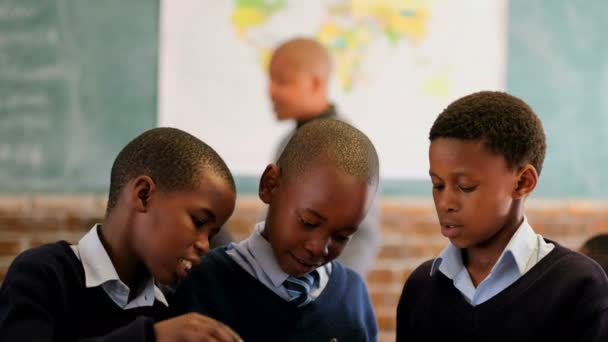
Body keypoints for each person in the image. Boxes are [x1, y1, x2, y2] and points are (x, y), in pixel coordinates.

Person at [396, 91, 608, 341]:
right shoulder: (422, 286)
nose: (445, 203)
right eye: (437, 185)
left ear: (523, 182)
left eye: (465, 186)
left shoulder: (576, 285)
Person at [0, 127, 243, 342]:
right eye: (199, 222)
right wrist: (151, 337)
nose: (204, 245)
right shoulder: (44, 275)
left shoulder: (169, 309)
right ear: (143, 194)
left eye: (211, 234)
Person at [171, 119, 380, 341]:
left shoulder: (352, 296)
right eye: (308, 222)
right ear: (270, 185)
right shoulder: (205, 282)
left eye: (341, 237)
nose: (318, 248)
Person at [267, 36, 381, 278]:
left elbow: (362, 236)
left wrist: (329, 292)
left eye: (282, 82)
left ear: (316, 83)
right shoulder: (288, 142)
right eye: (270, 80)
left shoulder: (347, 145)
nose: (271, 91)